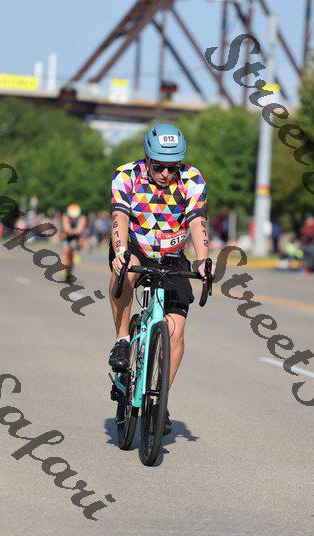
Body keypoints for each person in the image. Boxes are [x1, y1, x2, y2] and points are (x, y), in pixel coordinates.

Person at [108, 123, 214, 435]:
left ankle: (159, 401)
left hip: (171, 254)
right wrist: (121, 251)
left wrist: (203, 258)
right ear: (147, 159)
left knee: (176, 331)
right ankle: (122, 340)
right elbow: (119, 216)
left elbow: (197, 221)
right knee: (125, 269)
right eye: (159, 167)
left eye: (173, 167)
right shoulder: (126, 175)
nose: (166, 174)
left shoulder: (192, 179)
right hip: (136, 247)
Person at [61, 204, 87, 282]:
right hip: (67, 238)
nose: (73, 218)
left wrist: (72, 231)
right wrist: (73, 231)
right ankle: (66, 269)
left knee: (72, 257)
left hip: (77, 238)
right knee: (66, 252)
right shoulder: (65, 217)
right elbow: (66, 229)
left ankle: (69, 273)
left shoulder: (82, 218)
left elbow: (80, 230)